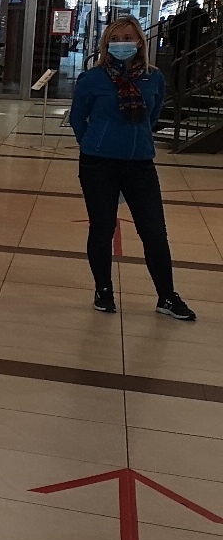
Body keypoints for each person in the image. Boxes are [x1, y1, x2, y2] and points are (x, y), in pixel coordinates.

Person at [69, 16, 195, 319]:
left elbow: (152, 116)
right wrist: (94, 143)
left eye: (128, 37)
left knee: (154, 232)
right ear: (106, 43)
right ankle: (103, 290)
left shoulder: (154, 78)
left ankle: (167, 297)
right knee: (102, 228)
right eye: (115, 38)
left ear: (139, 41)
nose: (122, 43)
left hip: (140, 165)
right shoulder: (92, 78)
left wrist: (136, 140)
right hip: (98, 164)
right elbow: (77, 118)